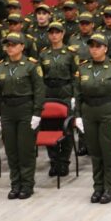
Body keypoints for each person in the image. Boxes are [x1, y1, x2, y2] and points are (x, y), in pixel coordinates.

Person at [75, 34, 111, 204]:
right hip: (89, 111)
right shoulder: (82, 68)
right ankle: (98, 187)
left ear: (105, 48)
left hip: (108, 111)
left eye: (98, 46)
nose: (94, 49)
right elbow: (77, 95)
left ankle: (109, 188)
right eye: (92, 46)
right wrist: (77, 116)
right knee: (95, 153)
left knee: (108, 152)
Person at [0, 33, 45, 200]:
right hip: (7, 110)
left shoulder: (31, 66)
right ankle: (15, 184)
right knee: (11, 150)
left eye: (14, 44)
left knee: (25, 150)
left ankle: (27, 184)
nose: (10, 47)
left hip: (25, 108)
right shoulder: (1, 66)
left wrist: (37, 113)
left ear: (22, 46)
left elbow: (39, 90)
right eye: (7, 45)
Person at [39, 22, 80, 177]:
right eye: (51, 33)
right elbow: (40, 77)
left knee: (66, 129)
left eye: (57, 32)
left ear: (63, 34)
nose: (54, 35)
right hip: (49, 92)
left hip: (65, 91)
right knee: (49, 127)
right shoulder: (43, 54)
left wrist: (75, 96)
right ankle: (54, 161)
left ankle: (64, 161)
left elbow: (76, 76)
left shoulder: (70, 53)